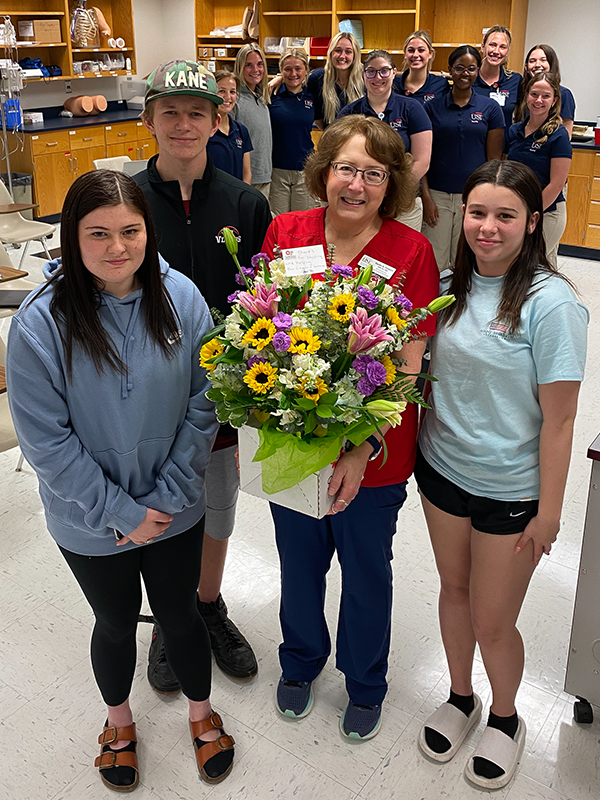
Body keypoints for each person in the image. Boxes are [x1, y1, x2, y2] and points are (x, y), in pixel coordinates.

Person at [5, 169, 236, 790]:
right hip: (87, 521)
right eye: (97, 233)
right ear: (70, 237)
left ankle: (201, 712)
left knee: (181, 616)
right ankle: (118, 721)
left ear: (148, 231)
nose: (117, 247)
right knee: (113, 622)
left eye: (130, 231)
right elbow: (46, 442)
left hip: (174, 507)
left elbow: (205, 399)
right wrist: (120, 511)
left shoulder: (181, 297)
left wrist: (163, 498)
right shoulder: (40, 324)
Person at [262, 115, 439, 740]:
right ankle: (301, 662)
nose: (356, 185)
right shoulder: (286, 233)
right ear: (323, 173)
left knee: (366, 572)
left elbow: (408, 367)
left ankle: (365, 683)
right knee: (298, 564)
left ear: (389, 184)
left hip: (375, 455)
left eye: (372, 173)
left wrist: (363, 447)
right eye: (346, 169)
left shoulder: (409, 251)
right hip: (296, 441)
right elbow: (263, 338)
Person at [416, 159, 588, 790]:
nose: (487, 228)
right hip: (441, 472)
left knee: (494, 618)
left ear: (532, 221)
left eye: (505, 216)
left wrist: (550, 513)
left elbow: (561, 422)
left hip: (512, 490)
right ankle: (461, 698)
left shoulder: (551, 304)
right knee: (453, 592)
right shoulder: (449, 285)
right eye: (478, 213)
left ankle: (507, 718)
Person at [136, 60, 271, 691]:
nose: (183, 125)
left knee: (217, 511)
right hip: (150, 402)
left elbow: (273, 301)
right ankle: (169, 618)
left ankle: (208, 604)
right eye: (171, 111)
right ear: (150, 119)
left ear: (219, 120)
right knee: (162, 510)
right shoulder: (128, 206)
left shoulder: (246, 204)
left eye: (197, 112)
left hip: (225, 403)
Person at [421, 45, 505, 271]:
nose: (465, 74)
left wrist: (486, 202)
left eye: (471, 68)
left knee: (465, 260)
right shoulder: (431, 108)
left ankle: (462, 306)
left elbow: (493, 162)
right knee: (434, 262)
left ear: (478, 70)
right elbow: (422, 158)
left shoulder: (490, 108)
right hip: (436, 197)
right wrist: (426, 197)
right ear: (449, 70)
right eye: (459, 68)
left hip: (472, 198)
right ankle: (434, 307)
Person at [339, 49, 432, 231]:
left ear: (394, 72)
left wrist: (392, 190)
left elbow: (422, 161)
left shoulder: (412, 109)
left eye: (384, 70)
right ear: (363, 74)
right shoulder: (349, 113)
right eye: (371, 71)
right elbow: (341, 158)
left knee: (402, 254)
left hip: (403, 202)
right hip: (360, 199)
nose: (377, 77)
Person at [506, 72, 572, 266]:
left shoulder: (558, 136)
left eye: (546, 96)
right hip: (518, 211)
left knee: (535, 267)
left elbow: (557, 183)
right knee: (515, 265)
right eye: (534, 94)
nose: (539, 100)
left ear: (554, 100)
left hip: (547, 212)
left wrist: (531, 214)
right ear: (527, 95)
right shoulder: (514, 131)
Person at [268, 48, 316, 215]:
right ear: (281, 70)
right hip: (277, 170)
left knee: (302, 222)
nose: (293, 73)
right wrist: (277, 79)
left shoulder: (313, 94)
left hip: (304, 169)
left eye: (298, 68)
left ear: (306, 70)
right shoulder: (271, 94)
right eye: (287, 69)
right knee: (278, 222)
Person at [233, 43, 273, 199]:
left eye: (259, 64)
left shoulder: (261, 97)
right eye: (248, 65)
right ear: (240, 67)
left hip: (265, 176)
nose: (255, 70)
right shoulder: (235, 100)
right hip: (246, 179)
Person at [516, 44, 576, 139]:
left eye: (543, 60)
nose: (537, 65)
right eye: (532, 61)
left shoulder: (564, 94)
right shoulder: (522, 91)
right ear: (526, 68)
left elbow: (566, 134)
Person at [307, 31, 364, 129]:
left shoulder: (365, 79)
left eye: (348, 51)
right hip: (331, 139)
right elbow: (318, 118)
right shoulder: (318, 78)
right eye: (338, 50)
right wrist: (280, 78)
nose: (342, 56)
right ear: (330, 53)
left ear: (355, 55)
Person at [206, 70, 252, 183]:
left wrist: (245, 196)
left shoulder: (241, 130)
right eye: (221, 91)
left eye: (232, 92)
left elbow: (247, 173)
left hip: (237, 197)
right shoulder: (204, 130)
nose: (228, 97)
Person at [473, 25, 521, 130]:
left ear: (508, 51)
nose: (496, 51)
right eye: (492, 45)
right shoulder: (469, 79)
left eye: (502, 47)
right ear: (482, 47)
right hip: (474, 144)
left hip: (504, 144)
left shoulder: (515, 80)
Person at [392, 29, 450, 105]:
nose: (415, 55)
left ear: (430, 53)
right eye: (411, 50)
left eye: (421, 50)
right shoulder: (393, 84)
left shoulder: (440, 85)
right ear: (405, 54)